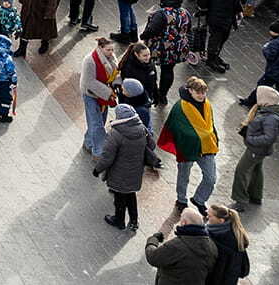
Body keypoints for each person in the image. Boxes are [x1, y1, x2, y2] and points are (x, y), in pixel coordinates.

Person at [161, 76, 219, 214]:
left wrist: (214, 139)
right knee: (184, 175)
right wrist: (201, 135)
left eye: (203, 92)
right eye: (198, 92)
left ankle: (199, 199)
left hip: (206, 147)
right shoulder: (180, 107)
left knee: (211, 178)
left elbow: (211, 124)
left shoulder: (207, 104)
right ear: (190, 91)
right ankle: (181, 199)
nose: (201, 95)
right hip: (186, 147)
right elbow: (178, 128)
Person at [93, 101, 149, 231]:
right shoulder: (142, 129)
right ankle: (134, 221)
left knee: (119, 197)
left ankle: (119, 220)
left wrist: (97, 169)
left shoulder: (116, 134)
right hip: (135, 172)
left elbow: (107, 156)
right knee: (131, 195)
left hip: (119, 173)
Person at [143, 207, 217, 284]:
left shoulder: (177, 246)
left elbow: (153, 257)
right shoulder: (212, 246)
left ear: (184, 223)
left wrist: (153, 239)